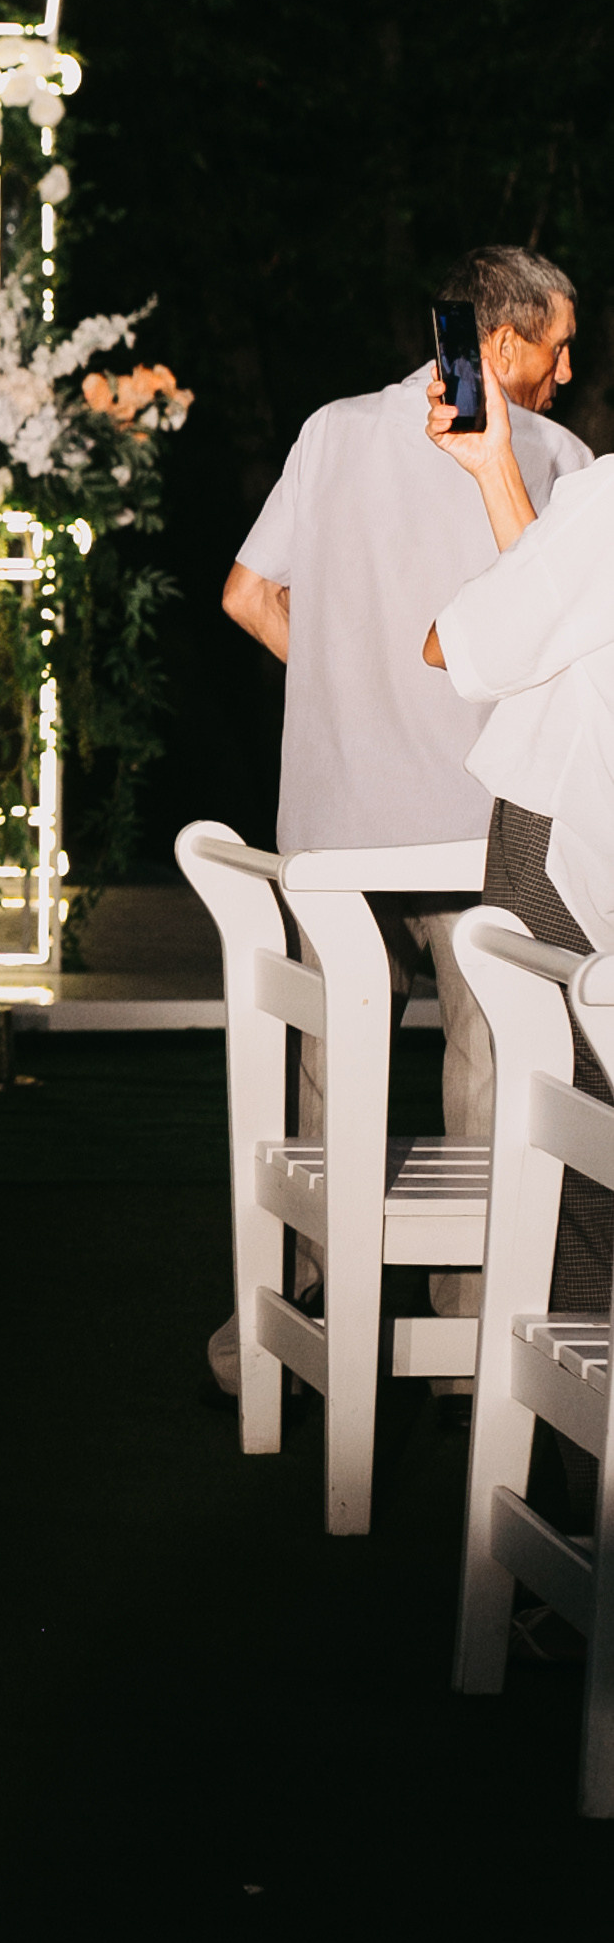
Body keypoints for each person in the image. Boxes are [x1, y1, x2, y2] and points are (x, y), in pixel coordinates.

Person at [212, 244, 587, 1388]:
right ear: (502, 341)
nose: (568, 373)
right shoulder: (555, 459)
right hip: (475, 819)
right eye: (558, 345)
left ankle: (317, 1296)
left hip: (333, 819)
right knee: (487, 1056)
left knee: (332, 1054)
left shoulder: (331, 430)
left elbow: (242, 594)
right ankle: (475, 1323)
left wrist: (339, 678)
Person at [427, 346, 614, 1336]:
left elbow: (456, 642)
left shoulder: (607, 499)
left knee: (578, 1180)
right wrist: (497, 467)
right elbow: (557, 614)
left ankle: (577, 1467)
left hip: (576, 869)